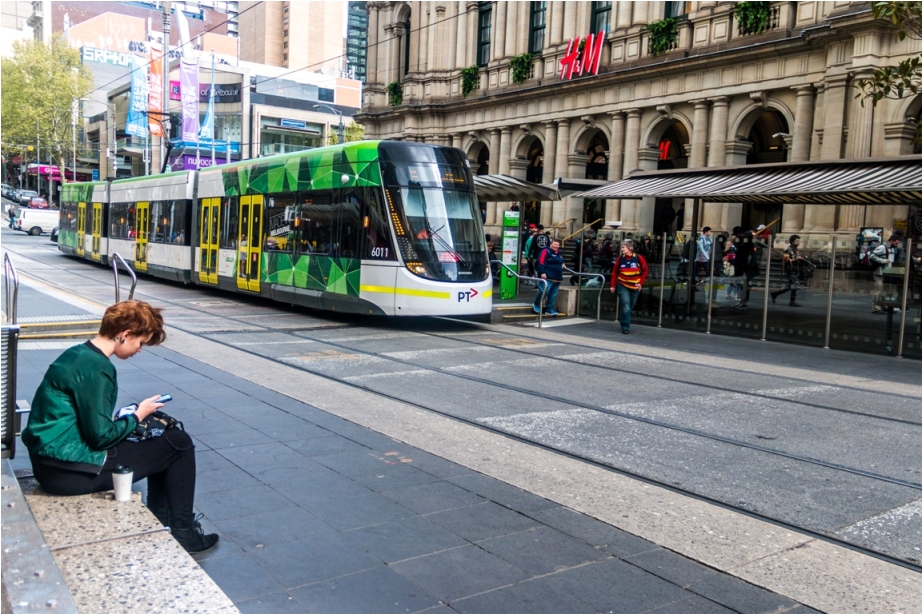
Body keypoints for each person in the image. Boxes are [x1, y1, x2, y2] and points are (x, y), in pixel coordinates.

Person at [21, 301, 219, 554]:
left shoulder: (77, 353)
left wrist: (130, 418)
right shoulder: (98, 368)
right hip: (70, 473)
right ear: (124, 335)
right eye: (140, 342)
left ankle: (163, 522)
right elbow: (101, 437)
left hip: (50, 463)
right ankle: (183, 533)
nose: (139, 350)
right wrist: (138, 415)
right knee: (178, 443)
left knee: (164, 440)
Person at [610, 238, 649, 334]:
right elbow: (615, 272)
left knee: (629, 307)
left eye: (623, 247)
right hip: (622, 284)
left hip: (635, 286)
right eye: (622, 247)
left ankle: (623, 317)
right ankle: (625, 327)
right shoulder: (620, 259)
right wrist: (612, 285)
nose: (622, 249)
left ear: (630, 248)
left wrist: (641, 283)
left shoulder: (638, 258)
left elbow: (645, 271)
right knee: (626, 306)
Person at [870, 234, 900, 314]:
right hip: (879, 272)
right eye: (896, 243)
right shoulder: (882, 247)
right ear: (891, 241)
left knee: (885, 290)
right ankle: (876, 308)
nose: (896, 245)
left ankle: (884, 306)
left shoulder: (891, 249)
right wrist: (883, 261)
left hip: (886, 272)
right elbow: (872, 256)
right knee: (878, 290)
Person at [533, 238, 564, 316]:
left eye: (557, 245)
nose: (556, 246)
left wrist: (562, 264)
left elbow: (560, 261)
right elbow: (541, 261)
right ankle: (536, 304)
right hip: (547, 276)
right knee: (544, 291)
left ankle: (549, 309)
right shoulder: (545, 251)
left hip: (557, 277)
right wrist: (542, 272)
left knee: (553, 294)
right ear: (551, 244)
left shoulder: (559, 253)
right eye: (554, 244)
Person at [771, 235, 804, 307]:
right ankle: (792, 301)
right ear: (792, 242)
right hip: (790, 270)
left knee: (789, 286)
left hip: (795, 270)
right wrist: (796, 259)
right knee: (796, 284)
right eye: (797, 241)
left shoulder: (796, 250)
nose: (799, 242)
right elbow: (786, 260)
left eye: (799, 241)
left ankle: (775, 294)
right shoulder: (787, 249)